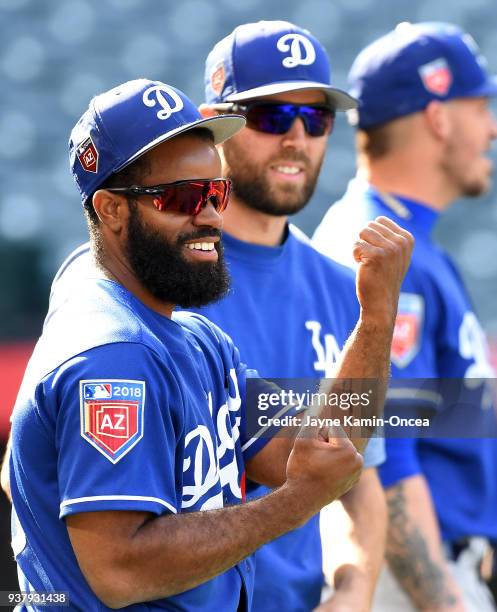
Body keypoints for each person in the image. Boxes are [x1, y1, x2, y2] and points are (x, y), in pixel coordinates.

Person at [7, 78, 412, 610]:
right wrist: (291, 505)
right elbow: (120, 569)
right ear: (109, 210)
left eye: (216, 191)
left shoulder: (199, 339)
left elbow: (320, 451)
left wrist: (377, 317)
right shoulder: (110, 352)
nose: (211, 215)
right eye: (181, 197)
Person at [194, 20, 388, 611]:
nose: (296, 139)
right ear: (214, 123)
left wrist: (353, 591)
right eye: (272, 116)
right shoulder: (157, 272)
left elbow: (360, 476)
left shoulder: (342, 287)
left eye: (316, 119)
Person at [313, 22, 497, 612]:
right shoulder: (377, 243)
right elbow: (382, 452)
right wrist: (447, 600)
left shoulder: (402, 235)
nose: (491, 128)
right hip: (411, 579)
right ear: (439, 117)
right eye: (480, 107)